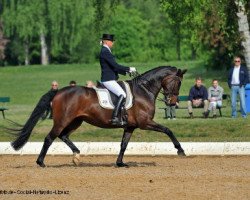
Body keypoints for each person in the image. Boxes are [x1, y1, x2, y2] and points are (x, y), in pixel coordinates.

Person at [99, 33, 136, 125]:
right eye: (112, 41)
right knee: (122, 94)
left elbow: (114, 68)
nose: (113, 43)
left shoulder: (106, 51)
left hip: (110, 79)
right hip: (108, 80)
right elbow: (115, 65)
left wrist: (126, 72)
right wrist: (128, 68)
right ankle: (115, 117)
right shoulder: (105, 51)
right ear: (107, 42)